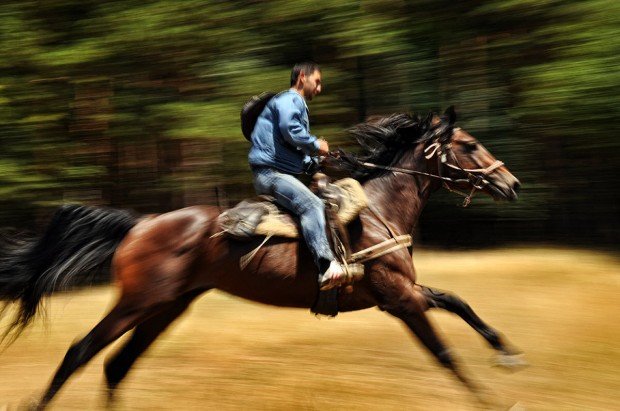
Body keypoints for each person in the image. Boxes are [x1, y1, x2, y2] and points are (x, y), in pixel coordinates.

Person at [248, 62, 347, 290]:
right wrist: (316, 144)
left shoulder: (290, 103)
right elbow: (290, 129)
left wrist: (317, 160)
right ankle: (326, 267)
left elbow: (293, 151)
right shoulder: (290, 100)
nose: (319, 89)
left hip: (274, 171)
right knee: (311, 205)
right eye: (318, 82)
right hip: (271, 174)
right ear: (302, 77)